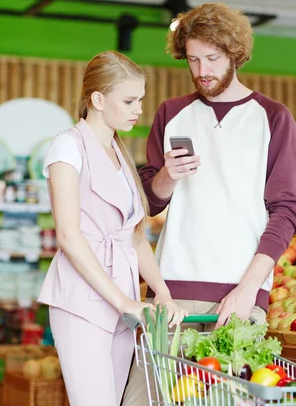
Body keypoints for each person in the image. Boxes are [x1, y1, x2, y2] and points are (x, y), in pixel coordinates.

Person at [123, 2, 296, 405]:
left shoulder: (273, 118)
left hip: (239, 299)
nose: (202, 70)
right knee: (145, 399)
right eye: (192, 59)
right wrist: (168, 175)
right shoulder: (171, 114)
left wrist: (248, 288)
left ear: (235, 54)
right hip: (171, 295)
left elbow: (286, 210)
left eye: (212, 58)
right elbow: (149, 202)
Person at [38, 51, 187, 406]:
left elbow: (134, 237)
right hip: (82, 299)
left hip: (123, 304)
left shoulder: (119, 153)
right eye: (129, 100)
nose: (138, 109)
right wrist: (124, 301)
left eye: (140, 100)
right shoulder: (67, 146)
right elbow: (69, 237)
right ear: (98, 99)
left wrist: (162, 294)